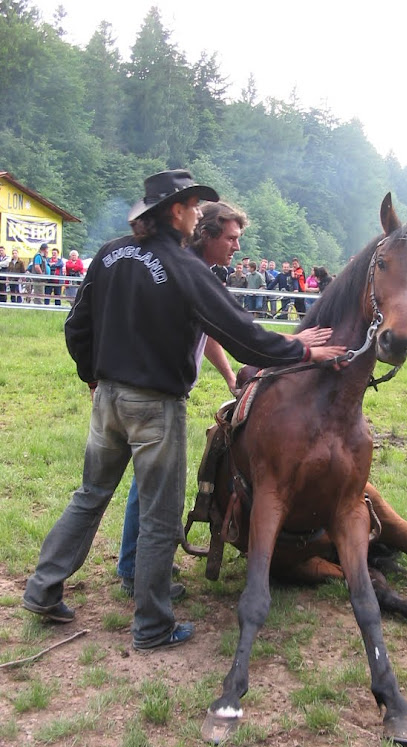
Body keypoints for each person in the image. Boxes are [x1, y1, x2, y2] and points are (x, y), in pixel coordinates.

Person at [22, 169, 345, 651]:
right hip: (155, 406)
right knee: (158, 514)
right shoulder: (184, 267)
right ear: (177, 211)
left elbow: (76, 326)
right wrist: (303, 352)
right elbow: (241, 333)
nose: (198, 216)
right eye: (195, 207)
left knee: (89, 495)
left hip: (108, 397)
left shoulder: (110, 253)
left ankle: (43, 588)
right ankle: (152, 624)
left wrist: (92, 375)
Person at [116, 200, 334, 599]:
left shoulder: (193, 269)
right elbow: (240, 330)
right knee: (154, 487)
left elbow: (211, 331)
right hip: (155, 393)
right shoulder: (190, 272)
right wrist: (297, 344)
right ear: (207, 233)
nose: (237, 246)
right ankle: (137, 572)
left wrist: (230, 373)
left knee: (135, 484)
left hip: (134, 387)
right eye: (232, 237)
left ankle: (130, 564)